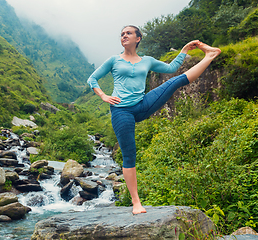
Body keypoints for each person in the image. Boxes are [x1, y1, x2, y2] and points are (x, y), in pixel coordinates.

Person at [87, 25, 221, 214]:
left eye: (129, 33)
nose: (124, 36)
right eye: (122, 34)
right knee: (129, 154)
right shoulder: (113, 60)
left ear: (138, 38)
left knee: (174, 81)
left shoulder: (147, 61)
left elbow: (172, 68)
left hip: (142, 105)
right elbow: (92, 79)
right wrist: (103, 96)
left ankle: (210, 55)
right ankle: (136, 203)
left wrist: (183, 51)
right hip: (121, 111)